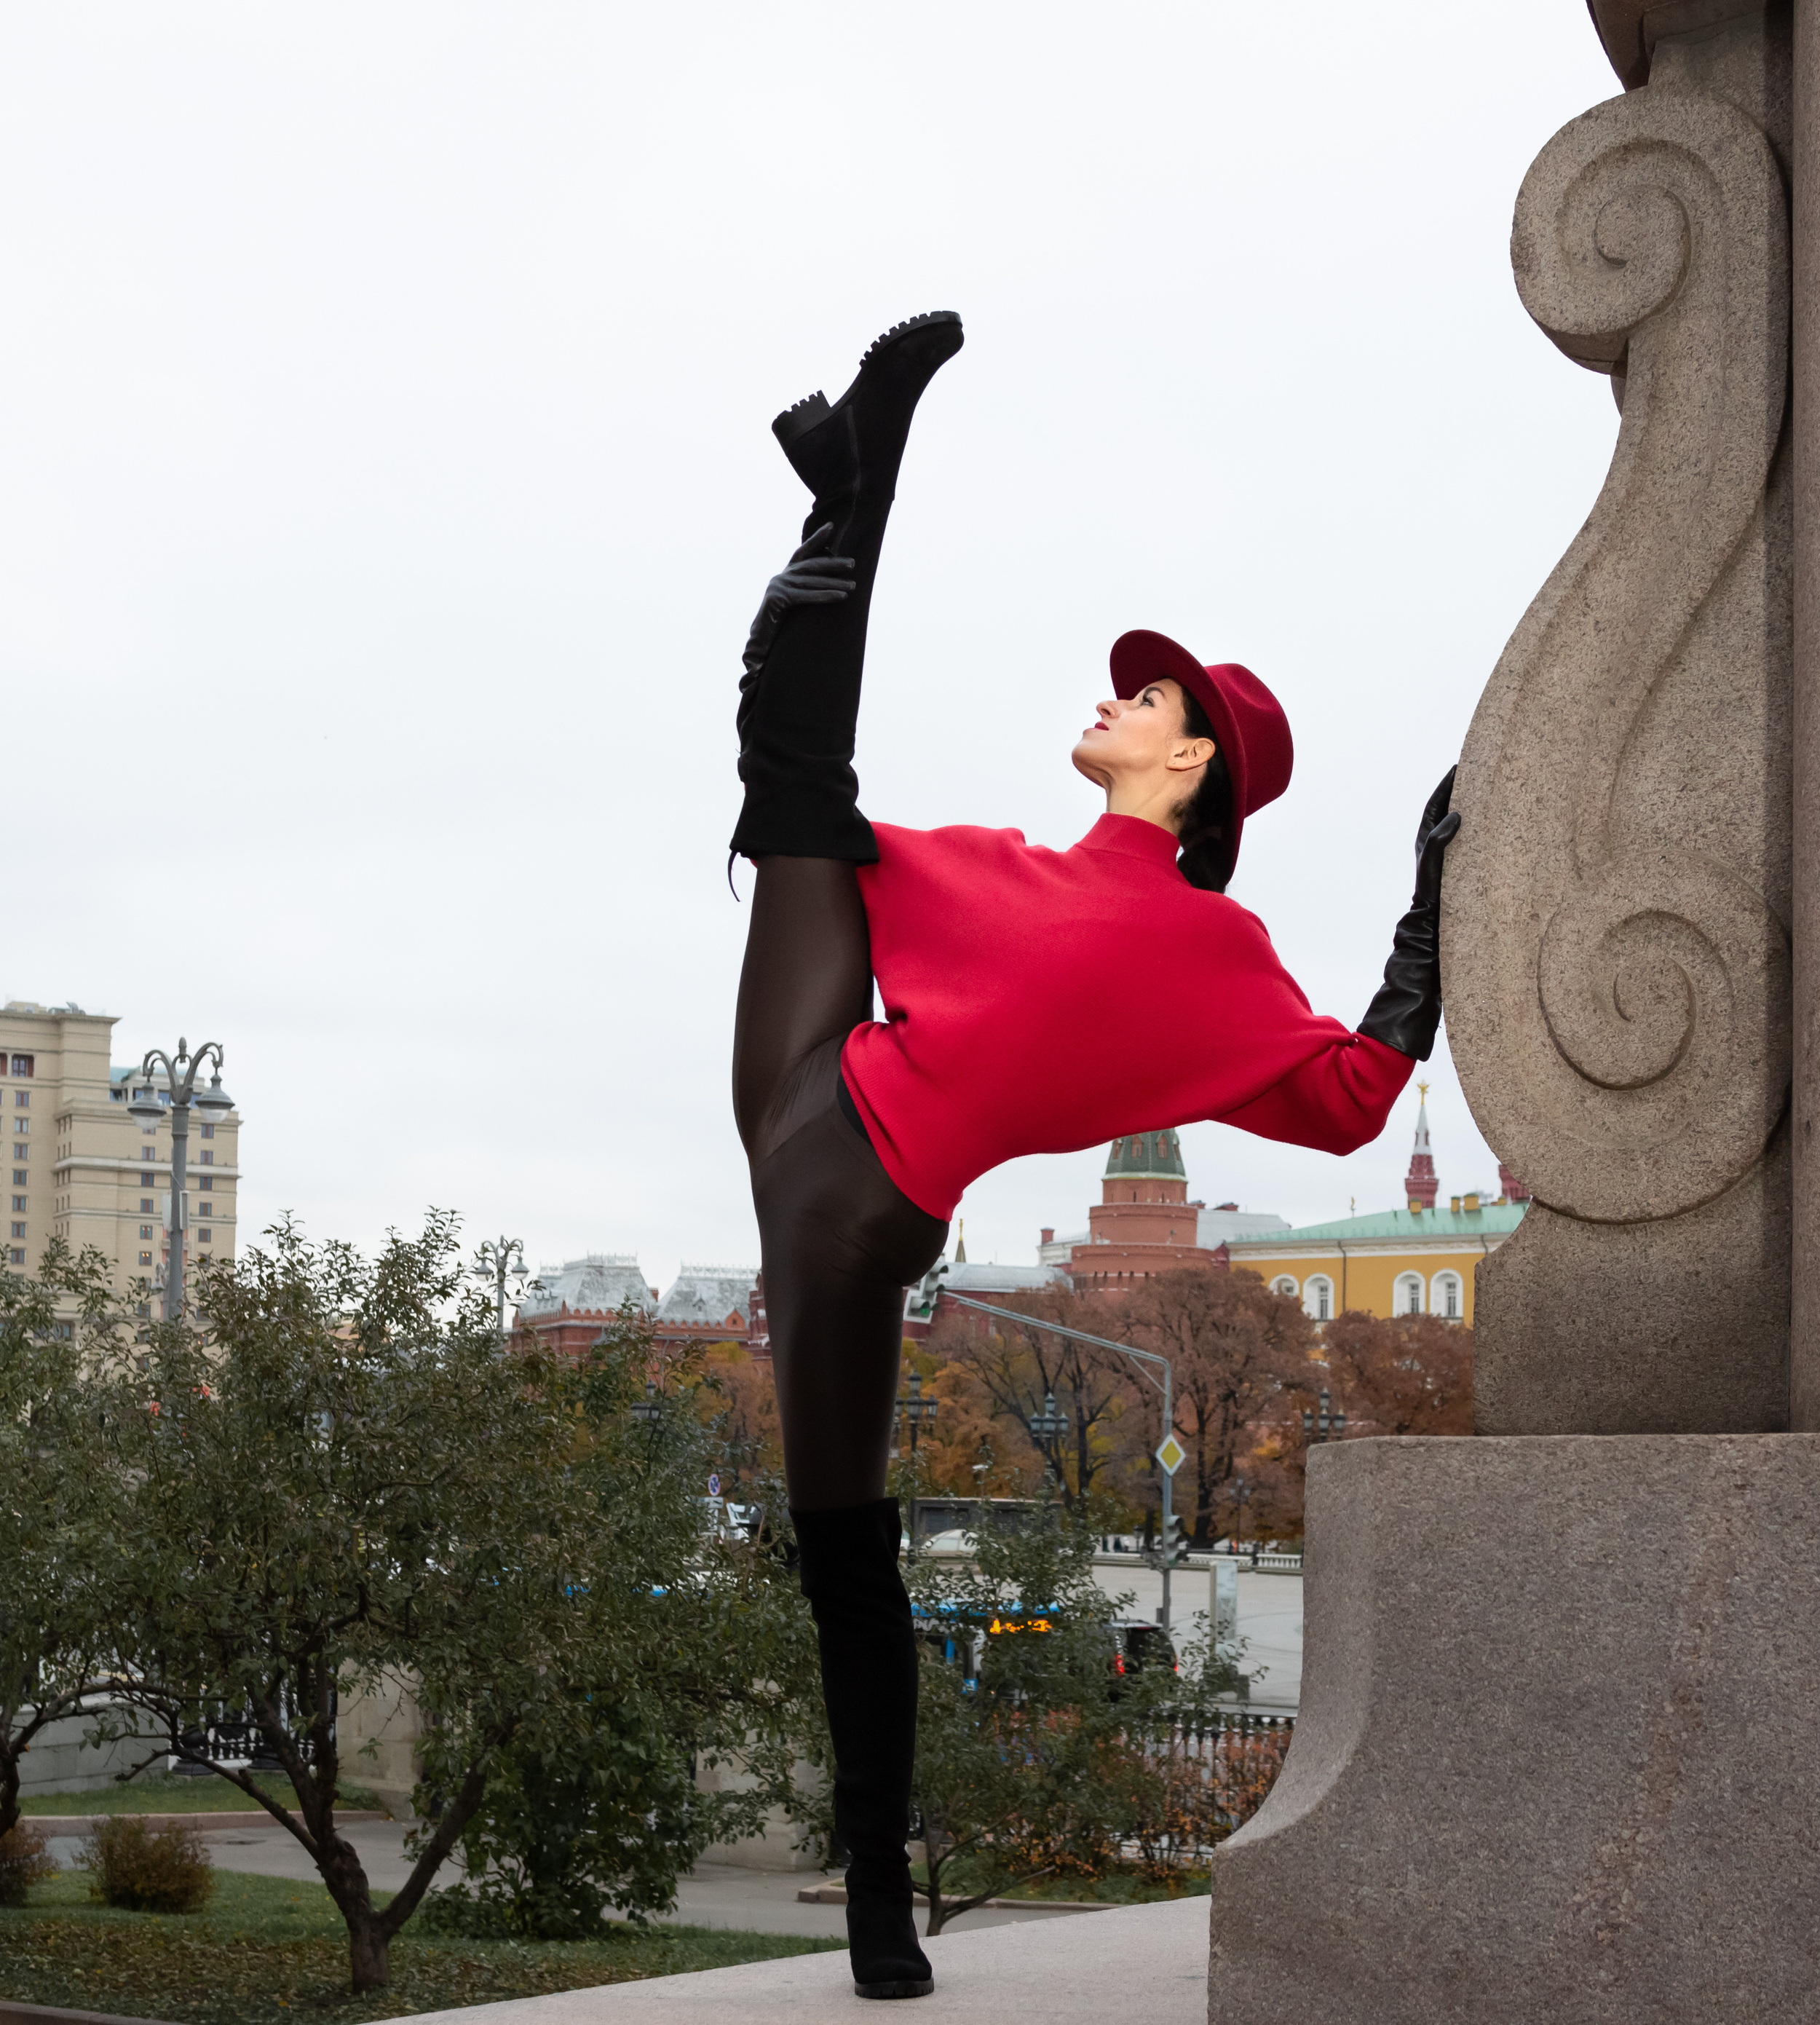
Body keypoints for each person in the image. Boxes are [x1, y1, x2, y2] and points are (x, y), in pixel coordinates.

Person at [729, 310, 1457, 1999]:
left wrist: (1432, 900)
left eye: (1142, 697)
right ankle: (858, 482)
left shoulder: (1210, 962)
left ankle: (872, 1905)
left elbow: (1350, 1093)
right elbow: (810, 802)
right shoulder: (993, 860)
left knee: (845, 1546)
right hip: (804, 1085)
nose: (1112, 698)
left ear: (1191, 759)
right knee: (792, 787)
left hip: (852, 1210)